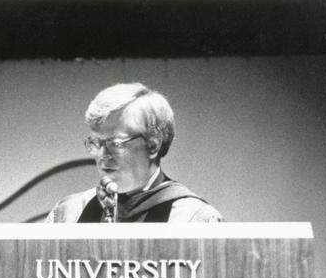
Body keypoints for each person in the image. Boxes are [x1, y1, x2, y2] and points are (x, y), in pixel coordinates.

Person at [46, 82, 222, 223]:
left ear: (153, 146)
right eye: (96, 142)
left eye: (115, 143)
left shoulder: (194, 220)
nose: (102, 154)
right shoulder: (68, 214)